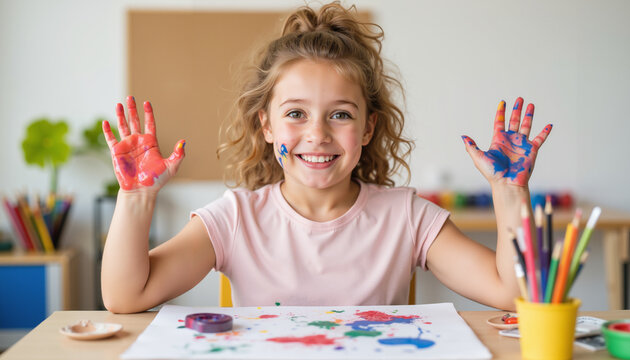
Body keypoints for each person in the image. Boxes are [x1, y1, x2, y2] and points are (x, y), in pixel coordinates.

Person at [100, 2, 552, 314]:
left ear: (368, 128)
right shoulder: (236, 218)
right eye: (295, 113)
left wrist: (509, 192)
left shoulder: (407, 218)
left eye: (340, 114)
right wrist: (136, 198)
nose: (317, 135)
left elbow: (517, 296)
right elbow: (125, 296)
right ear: (266, 125)